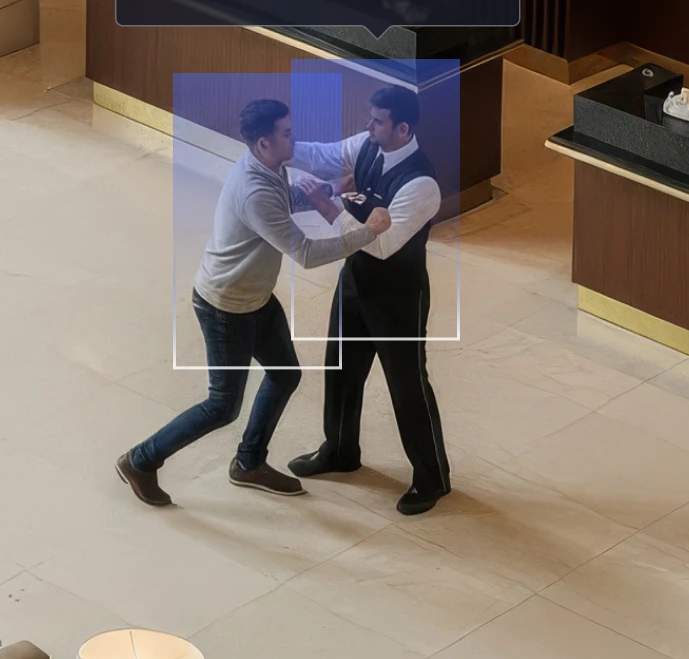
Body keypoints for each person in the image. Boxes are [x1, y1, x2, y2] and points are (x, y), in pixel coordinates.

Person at [117, 98, 389, 508]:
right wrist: (366, 233)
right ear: (264, 143)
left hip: (255, 298)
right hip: (226, 306)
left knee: (284, 375)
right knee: (221, 406)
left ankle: (248, 463)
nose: (293, 137)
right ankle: (140, 460)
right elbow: (308, 253)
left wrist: (332, 189)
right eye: (286, 132)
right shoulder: (254, 190)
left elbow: (285, 201)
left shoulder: (268, 167)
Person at [287, 83, 452, 514]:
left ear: (402, 128)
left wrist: (328, 208)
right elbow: (324, 155)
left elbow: (382, 245)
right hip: (355, 281)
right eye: (370, 118)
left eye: (376, 121)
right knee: (340, 369)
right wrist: (283, 146)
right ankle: (340, 450)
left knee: (407, 386)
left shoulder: (422, 185)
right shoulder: (368, 146)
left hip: (398, 299)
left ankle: (432, 478)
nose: (367, 126)